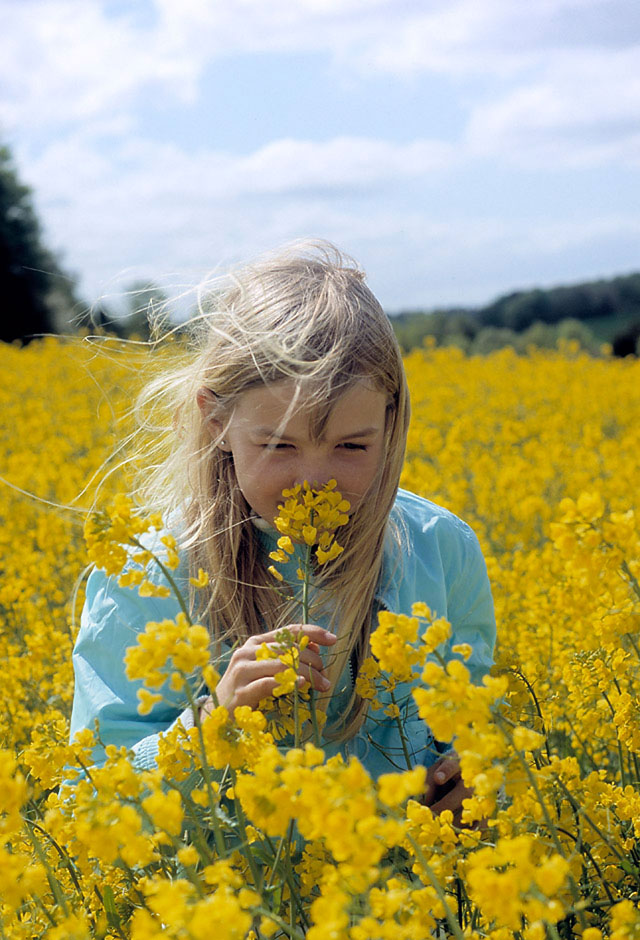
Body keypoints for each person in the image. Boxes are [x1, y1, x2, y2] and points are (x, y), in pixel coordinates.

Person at [70, 241, 496, 823]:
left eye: (352, 446)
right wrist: (210, 724)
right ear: (217, 421)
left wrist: (476, 773)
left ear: (390, 425)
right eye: (278, 445)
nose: (312, 482)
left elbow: (471, 723)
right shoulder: (151, 572)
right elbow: (87, 799)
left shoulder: (440, 548)